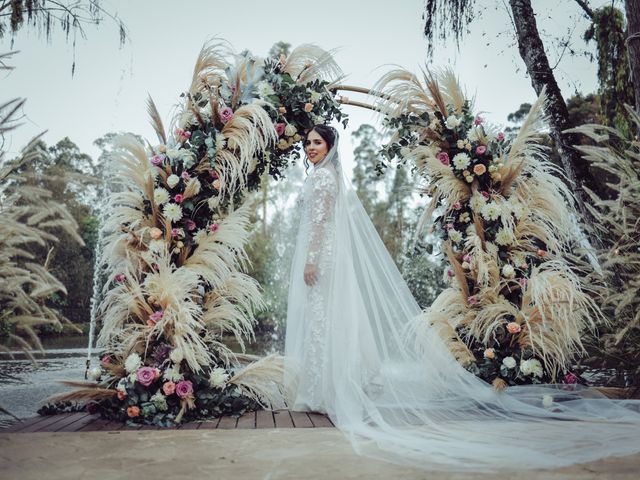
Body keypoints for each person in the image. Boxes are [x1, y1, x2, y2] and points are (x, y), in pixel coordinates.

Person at [283, 124, 640, 472]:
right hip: (328, 255)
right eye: (307, 142)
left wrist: (312, 260)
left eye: (317, 142)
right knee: (325, 319)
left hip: (323, 257)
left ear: (330, 147)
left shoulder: (323, 179)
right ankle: (323, 389)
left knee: (324, 317)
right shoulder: (319, 176)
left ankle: (323, 391)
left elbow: (319, 225)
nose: (310, 147)